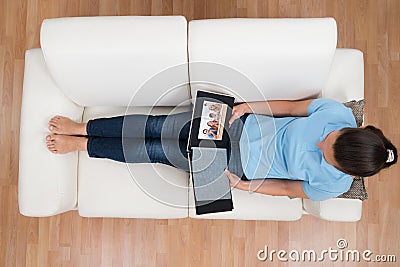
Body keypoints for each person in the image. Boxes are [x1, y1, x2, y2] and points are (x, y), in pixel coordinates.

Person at [46, 98, 398, 201]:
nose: (319, 144)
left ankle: (84, 148)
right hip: (237, 125)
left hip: (234, 164)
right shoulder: (336, 113)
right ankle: (83, 129)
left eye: (325, 154)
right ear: (353, 129)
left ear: (347, 172)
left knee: (157, 152)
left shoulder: (334, 186)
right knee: (157, 127)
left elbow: (289, 189)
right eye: (329, 138)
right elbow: (291, 108)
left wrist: (242, 185)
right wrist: (247, 107)